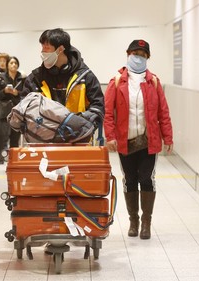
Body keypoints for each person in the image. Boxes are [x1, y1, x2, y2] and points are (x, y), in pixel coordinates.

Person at [103, 39, 174, 239]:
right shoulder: (116, 81)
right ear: (128, 54)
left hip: (148, 141)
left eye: (142, 55)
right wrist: (110, 136)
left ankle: (146, 223)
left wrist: (168, 137)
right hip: (126, 141)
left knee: (147, 179)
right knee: (130, 180)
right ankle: (133, 221)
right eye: (135, 53)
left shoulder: (154, 82)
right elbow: (108, 113)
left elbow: (163, 112)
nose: (138, 57)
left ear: (147, 58)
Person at [22, 28, 104, 131]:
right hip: (45, 139)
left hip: (79, 139)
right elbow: (23, 108)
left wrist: (82, 125)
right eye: (42, 47)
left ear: (60, 49)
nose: (42, 52)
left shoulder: (84, 76)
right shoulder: (35, 78)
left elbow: (98, 106)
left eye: (46, 48)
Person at [4, 56, 26, 148]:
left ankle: (14, 157)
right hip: (4, 110)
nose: (14, 65)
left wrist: (17, 93)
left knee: (15, 137)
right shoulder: (2, 77)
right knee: (4, 136)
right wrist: (4, 91)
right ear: (7, 65)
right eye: (11, 63)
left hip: (17, 111)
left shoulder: (22, 78)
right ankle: (3, 157)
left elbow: (26, 93)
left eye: (15, 63)